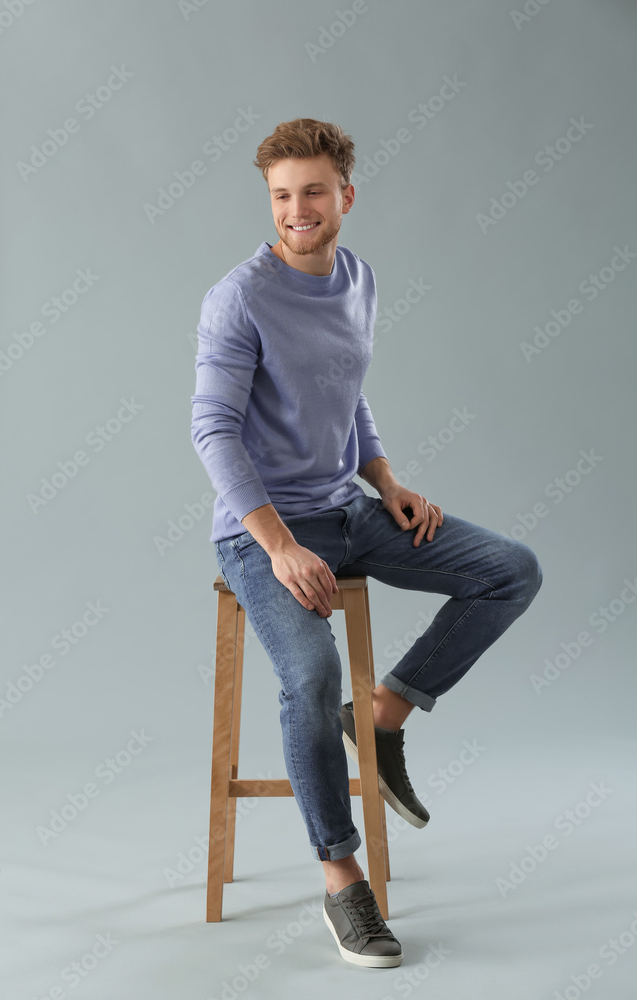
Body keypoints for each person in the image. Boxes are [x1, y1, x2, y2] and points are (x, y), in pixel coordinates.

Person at [191, 118, 543, 969]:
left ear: (346, 195)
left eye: (313, 191)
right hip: (260, 531)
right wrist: (277, 546)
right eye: (281, 195)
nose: (297, 210)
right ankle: (342, 879)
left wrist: (387, 482)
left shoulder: (357, 278)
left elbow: (348, 397)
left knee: (510, 571)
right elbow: (213, 432)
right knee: (308, 675)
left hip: (347, 508)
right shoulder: (238, 296)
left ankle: (381, 716)